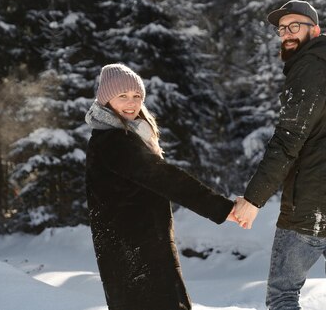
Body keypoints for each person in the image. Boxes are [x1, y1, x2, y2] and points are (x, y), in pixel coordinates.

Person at [233, 0, 326, 310]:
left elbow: (288, 139)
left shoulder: (309, 68)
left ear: (314, 30)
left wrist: (253, 200)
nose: (286, 33)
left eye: (295, 26)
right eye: (282, 28)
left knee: (283, 297)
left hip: (309, 211)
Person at [85, 63, 238, 310]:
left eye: (137, 96)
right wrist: (222, 208)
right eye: (122, 96)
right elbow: (165, 178)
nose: (131, 103)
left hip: (139, 249)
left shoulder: (126, 135)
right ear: (106, 100)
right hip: (135, 255)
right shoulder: (113, 140)